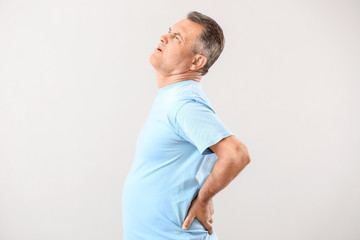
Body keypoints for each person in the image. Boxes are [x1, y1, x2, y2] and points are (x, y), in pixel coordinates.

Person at [122, 11, 251, 240]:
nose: (164, 37)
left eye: (177, 38)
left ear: (196, 61)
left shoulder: (184, 103)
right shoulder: (174, 96)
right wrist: (204, 193)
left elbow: (236, 154)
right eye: (170, 31)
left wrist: (203, 198)